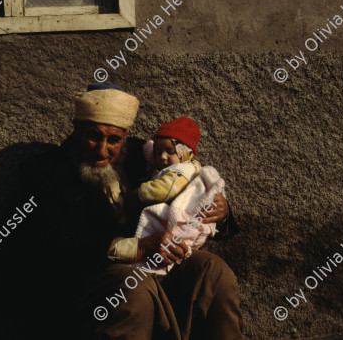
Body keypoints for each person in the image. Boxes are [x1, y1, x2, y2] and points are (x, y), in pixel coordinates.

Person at [17, 82, 243, 339]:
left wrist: (220, 211)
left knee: (213, 271)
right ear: (77, 129)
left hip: (159, 265)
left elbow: (189, 184)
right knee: (133, 287)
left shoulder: (144, 156)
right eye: (93, 136)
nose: (102, 150)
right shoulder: (43, 173)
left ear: (125, 136)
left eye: (113, 140)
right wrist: (139, 247)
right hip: (93, 277)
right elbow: (52, 244)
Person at [126, 117, 227, 276]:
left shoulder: (181, 172)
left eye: (170, 151)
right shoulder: (177, 168)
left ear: (186, 153)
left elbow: (164, 190)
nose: (163, 157)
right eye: (157, 152)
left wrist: (139, 193)